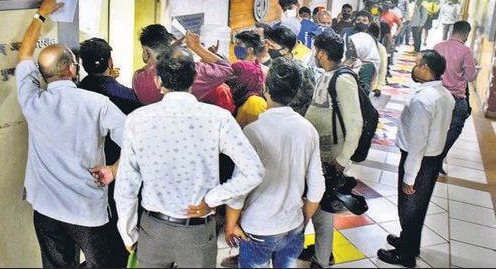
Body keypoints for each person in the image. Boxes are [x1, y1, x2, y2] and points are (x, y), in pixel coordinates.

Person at [113, 45, 265, 268]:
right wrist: (214, 198)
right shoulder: (218, 119)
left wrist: (127, 232)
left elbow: (126, 185)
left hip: (153, 231)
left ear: (158, 81)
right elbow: (254, 171)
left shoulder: (137, 119)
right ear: (194, 78)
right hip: (197, 232)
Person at [15, 0, 127, 267]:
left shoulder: (31, 100)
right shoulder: (98, 104)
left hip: (46, 209)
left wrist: (41, 14)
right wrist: (114, 168)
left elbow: (23, 55)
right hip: (87, 211)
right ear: (72, 69)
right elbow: (138, 143)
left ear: (42, 74)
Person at [224, 56, 325, 268]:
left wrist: (230, 224)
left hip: (258, 228)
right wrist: (303, 219)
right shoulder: (308, 130)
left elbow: (239, 187)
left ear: (265, 87)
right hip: (293, 226)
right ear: (296, 90)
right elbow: (317, 186)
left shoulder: (253, 132)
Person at [377, 49, 455, 268]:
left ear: (426, 69)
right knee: (417, 208)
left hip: (419, 161)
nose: (414, 66)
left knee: (409, 209)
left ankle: (406, 255)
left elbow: (418, 142)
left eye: (417, 63)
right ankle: (410, 242)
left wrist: (410, 176)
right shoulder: (445, 95)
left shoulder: (424, 100)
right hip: (431, 159)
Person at [77, 37, 142, 267]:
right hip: (118, 169)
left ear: (81, 64)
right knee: (119, 222)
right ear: (110, 61)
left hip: (86, 169)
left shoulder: (76, 93)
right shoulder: (127, 96)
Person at [303, 32, 363, 268]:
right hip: (320, 152)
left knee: (324, 208)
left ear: (322, 53)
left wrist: (342, 159)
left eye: (316, 50)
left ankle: (322, 258)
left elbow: (355, 123)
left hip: (331, 155)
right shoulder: (327, 75)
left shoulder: (343, 80)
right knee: (316, 204)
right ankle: (320, 250)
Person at [132, 24, 233, 106]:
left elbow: (150, 67)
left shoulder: (139, 80)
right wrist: (196, 47)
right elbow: (225, 68)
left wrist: (170, 52)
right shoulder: (192, 71)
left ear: (146, 52)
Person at [433, 21, 478, 174]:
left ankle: (431, 154)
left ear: (452, 31)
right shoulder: (466, 51)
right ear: (466, 34)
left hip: (437, 94)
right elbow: (471, 76)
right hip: (456, 97)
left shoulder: (438, 47)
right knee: (455, 127)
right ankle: (438, 156)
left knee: (435, 126)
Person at [264, 25, 315, 116]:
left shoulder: (304, 70)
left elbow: (310, 96)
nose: (269, 49)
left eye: (272, 46)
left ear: (285, 50)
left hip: (296, 116)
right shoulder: (267, 66)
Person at [226, 30, 267, 128]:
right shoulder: (262, 69)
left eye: (239, 44)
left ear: (250, 50)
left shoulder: (239, 66)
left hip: (238, 112)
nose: (237, 47)